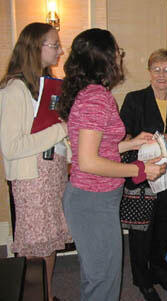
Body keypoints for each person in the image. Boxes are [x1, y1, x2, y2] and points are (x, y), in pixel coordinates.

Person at [57, 28, 167, 301]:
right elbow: (89, 161)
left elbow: (97, 150)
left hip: (93, 199)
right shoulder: (97, 98)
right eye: (117, 51)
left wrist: (131, 144)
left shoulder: (90, 93)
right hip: (92, 200)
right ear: (104, 57)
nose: (120, 56)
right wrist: (141, 169)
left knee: (97, 276)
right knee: (103, 280)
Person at [0, 22, 70, 301]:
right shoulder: (13, 90)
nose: (60, 50)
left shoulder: (44, 86)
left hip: (52, 174)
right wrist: (60, 129)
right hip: (32, 178)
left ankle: (48, 296)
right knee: (34, 251)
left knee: (49, 243)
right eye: (54, 45)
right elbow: (11, 147)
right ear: (34, 48)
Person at [119, 49, 167, 301]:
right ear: (149, 72)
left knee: (163, 226)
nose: (162, 75)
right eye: (157, 69)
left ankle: (160, 273)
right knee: (142, 230)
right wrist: (142, 143)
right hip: (142, 174)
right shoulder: (134, 99)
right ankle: (142, 280)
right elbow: (123, 138)